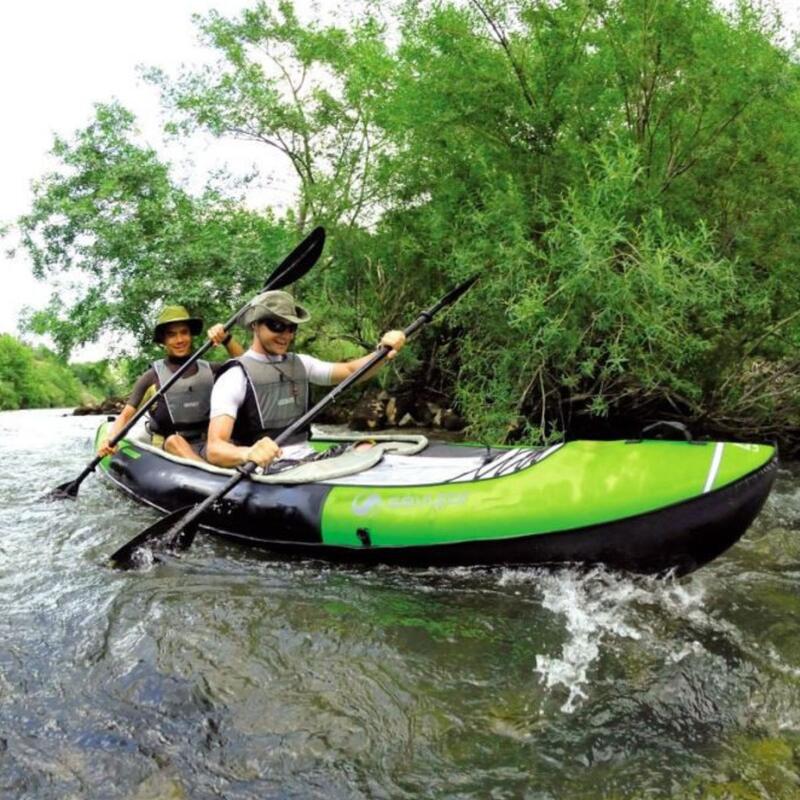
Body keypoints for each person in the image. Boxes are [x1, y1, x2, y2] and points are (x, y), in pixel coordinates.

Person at [206, 290, 406, 470]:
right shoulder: (234, 376)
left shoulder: (302, 363)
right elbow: (215, 449)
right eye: (276, 325)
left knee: (365, 447)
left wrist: (383, 352)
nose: (286, 335)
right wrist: (248, 453)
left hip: (308, 459)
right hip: (268, 468)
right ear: (255, 325)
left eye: (291, 328)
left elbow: (351, 370)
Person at [97, 305, 244, 461]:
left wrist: (226, 339)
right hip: (170, 449)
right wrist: (111, 438)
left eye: (184, 333)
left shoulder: (211, 370)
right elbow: (126, 415)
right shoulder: (151, 377)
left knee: (227, 443)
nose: (179, 340)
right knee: (175, 441)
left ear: (191, 335)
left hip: (207, 443)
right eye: (172, 335)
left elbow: (245, 366)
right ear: (163, 340)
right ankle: (206, 471)